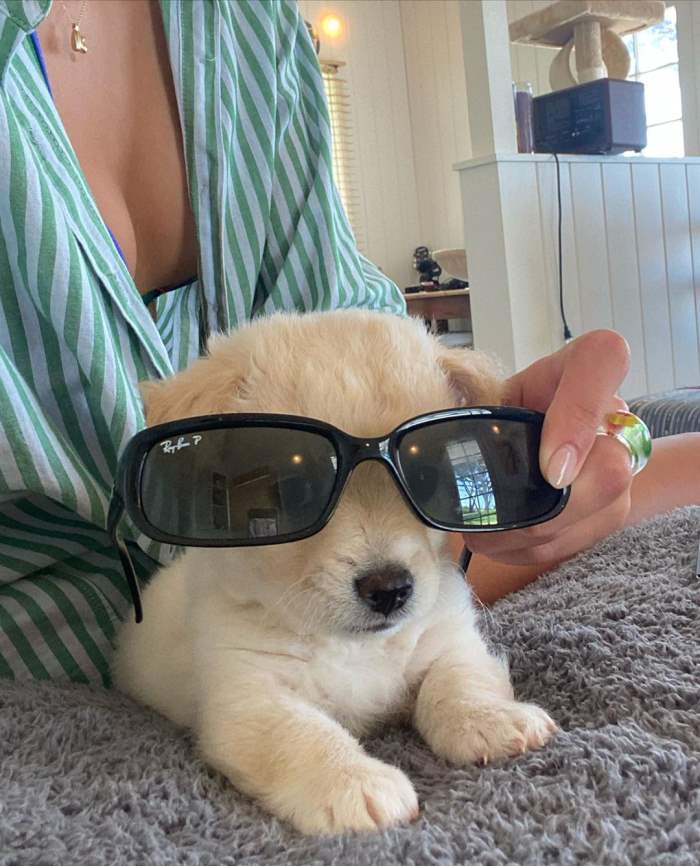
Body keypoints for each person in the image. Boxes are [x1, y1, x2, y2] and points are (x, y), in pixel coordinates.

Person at [0, 0, 693, 686]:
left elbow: (365, 350)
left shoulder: (253, 28)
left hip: (380, 597)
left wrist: (576, 449)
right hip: (74, 662)